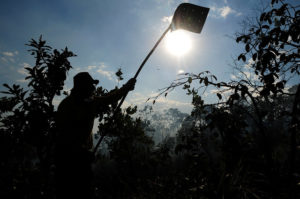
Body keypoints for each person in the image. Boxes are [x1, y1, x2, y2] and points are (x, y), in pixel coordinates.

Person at [54, 72, 136, 199]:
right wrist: (81, 153)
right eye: (90, 85)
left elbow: (109, 99)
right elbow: (65, 136)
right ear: (82, 87)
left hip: (81, 157)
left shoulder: (89, 102)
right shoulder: (67, 106)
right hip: (69, 160)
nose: (93, 88)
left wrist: (126, 88)